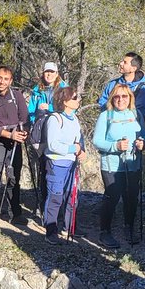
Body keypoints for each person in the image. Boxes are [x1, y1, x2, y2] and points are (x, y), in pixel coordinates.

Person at [92, 84, 145, 249]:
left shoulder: (136, 114)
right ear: (112, 98)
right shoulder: (106, 116)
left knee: (131, 196)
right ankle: (105, 232)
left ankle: (129, 228)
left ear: (130, 98)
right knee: (112, 196)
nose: (121, 100)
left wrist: (143, 143)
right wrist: (115, 146)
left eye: (125, 96)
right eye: (117, 96)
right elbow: (97, 141)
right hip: (111, 165)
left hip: (133, 163)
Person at [0, 65, 30, 229]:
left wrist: (24, 132)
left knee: (13, 179)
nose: (2, 82)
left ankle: (15, 213)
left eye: (6, 79)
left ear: (11, 81)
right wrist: (8, 134)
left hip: (15, 143)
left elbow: (24, 118)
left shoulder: (17, 96)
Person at [43, 86, 85, 243]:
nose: (78, 100)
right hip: (56, 163)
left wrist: (80, 150)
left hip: (72, 163)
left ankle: (70, 226)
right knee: (55, 197)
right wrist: (73, 148)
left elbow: (78, 139)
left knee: (71, 196)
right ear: (65, 102)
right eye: (74, 98)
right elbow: (53, 144)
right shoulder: (55, 119)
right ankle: (51, 231)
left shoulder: (74, 119)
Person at [29, 61, 68, 217]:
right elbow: (30, 112)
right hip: (41, 135)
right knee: (43, 170)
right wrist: (37, 114)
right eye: (47, 72)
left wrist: (50, 110)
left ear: (57, 73)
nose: (49, 74)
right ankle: (43, 205)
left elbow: (68, 108)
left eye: (52, 72)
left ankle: (58, 208)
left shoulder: (64, 89)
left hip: (59, 135)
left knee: (56, 169)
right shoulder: (37, 90)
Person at [97, 52, 145, 121]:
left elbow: (140, 113)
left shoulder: (141, 89)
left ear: (133, 69)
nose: (121, 63)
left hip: (131, 129)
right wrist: (111, 118)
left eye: (125, 62)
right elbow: (103, 103)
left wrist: (122, 119)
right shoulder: (112, 84)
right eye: (122, 61)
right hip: (111, 126)